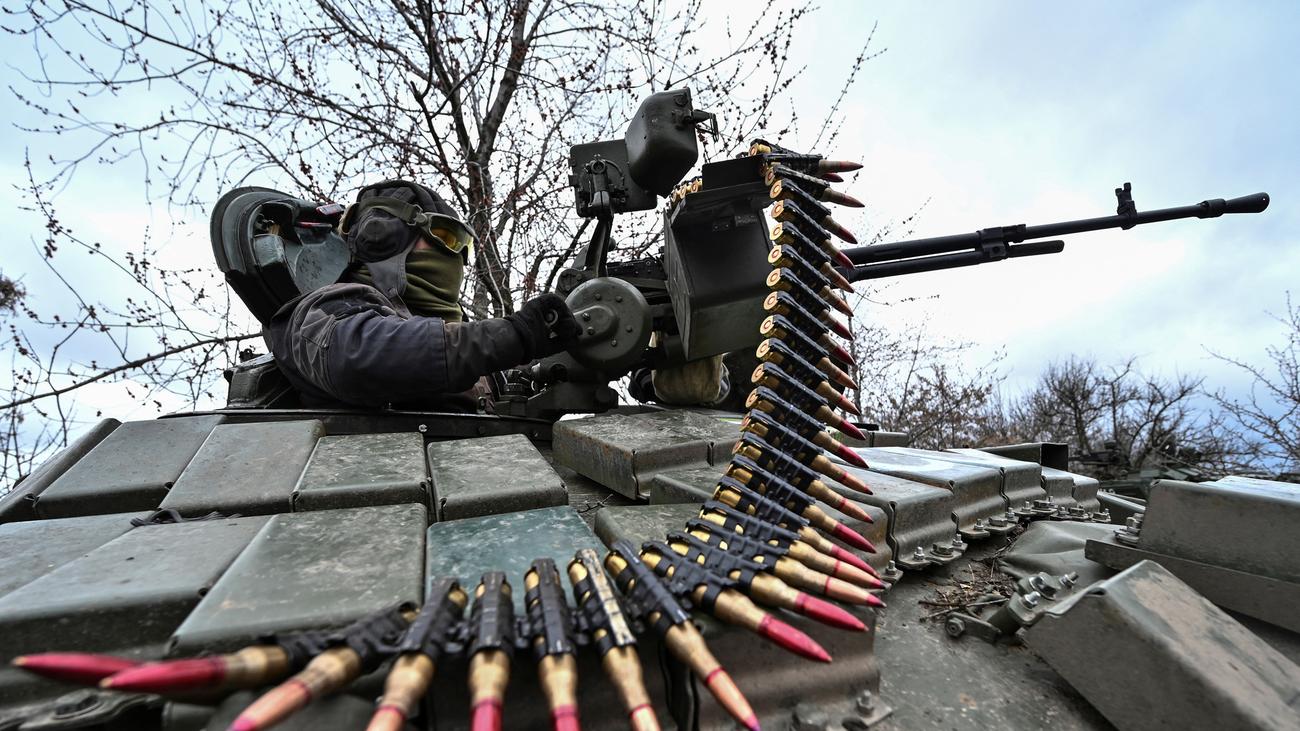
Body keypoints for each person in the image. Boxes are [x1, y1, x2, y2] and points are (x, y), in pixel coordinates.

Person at [264, 179, 580, 409]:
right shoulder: (323, 311)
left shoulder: (468, 349)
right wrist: (514, 335)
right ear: (384, 236)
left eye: (463, 246)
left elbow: (517, 393)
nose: (456, 256)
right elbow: (363, 356)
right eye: (445, 236)